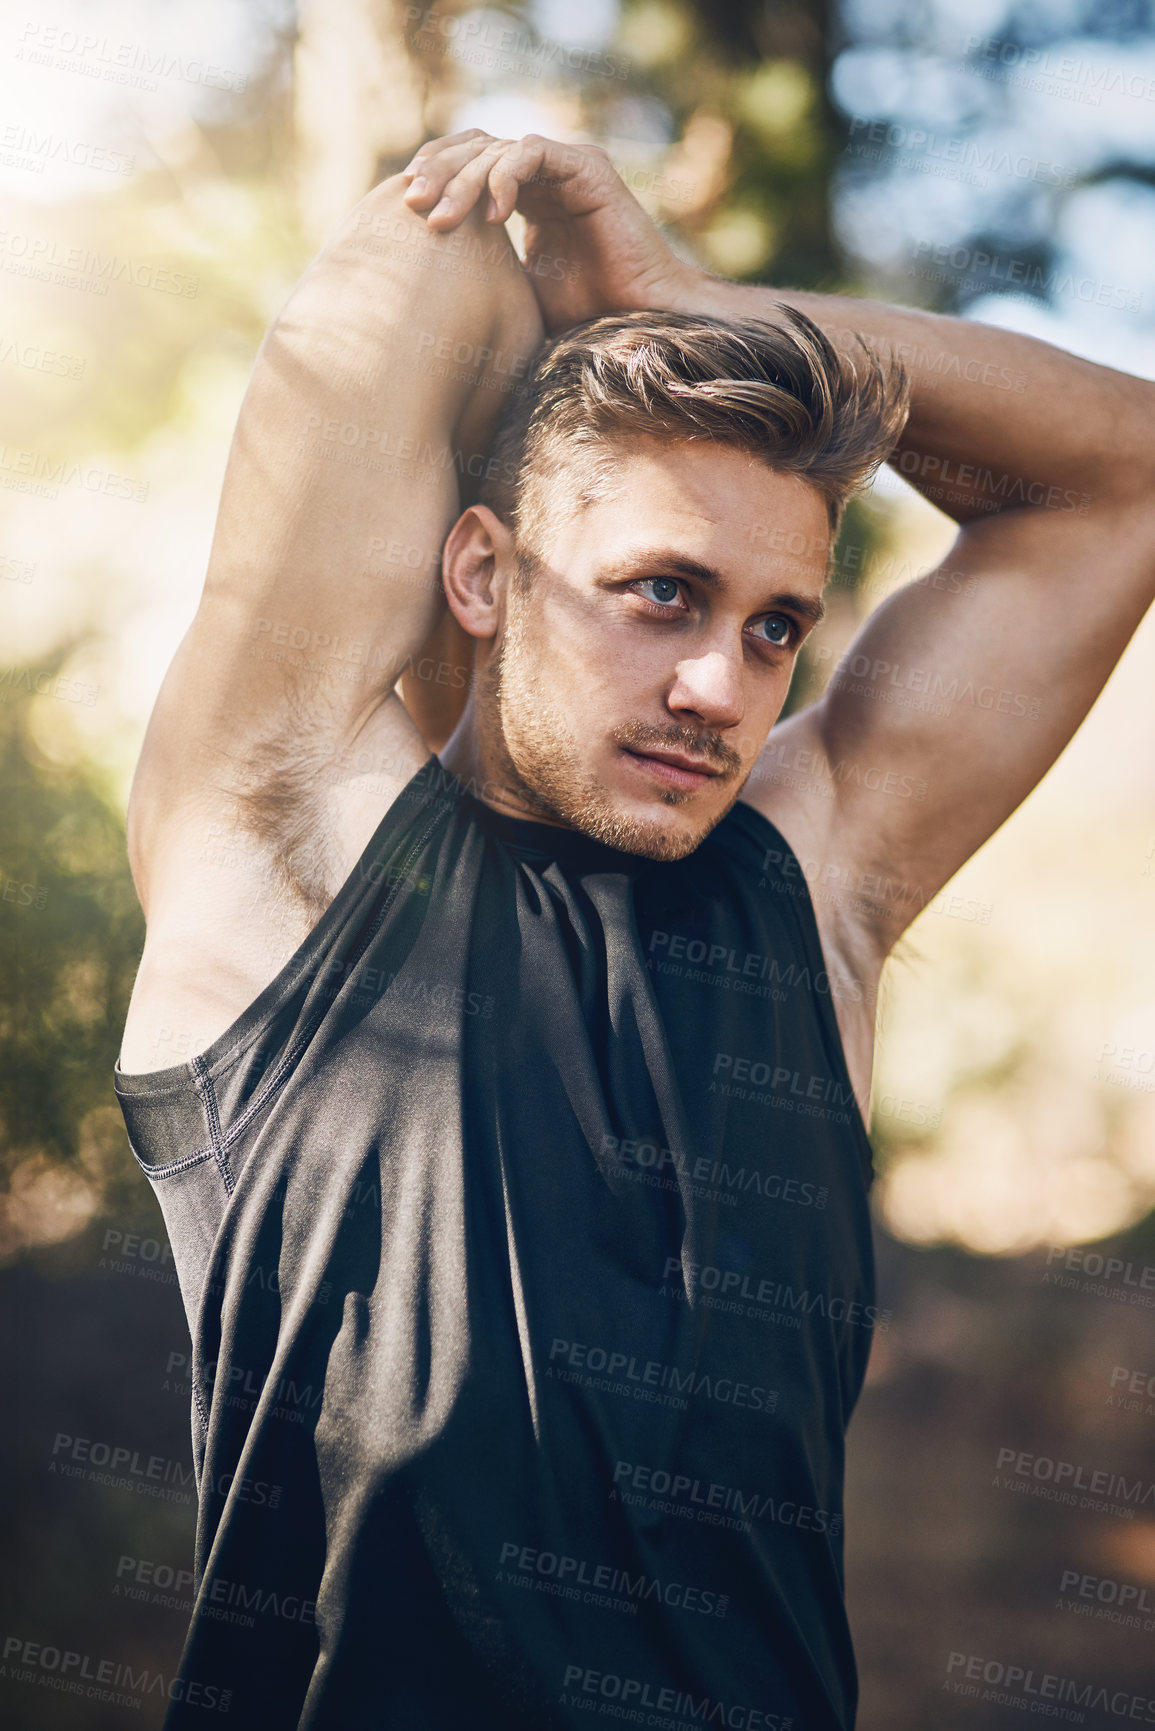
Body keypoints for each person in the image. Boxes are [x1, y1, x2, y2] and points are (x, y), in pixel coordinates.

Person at [113, 131, 1155, 1730]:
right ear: (479, 569)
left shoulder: (807, 897)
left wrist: (711, 302)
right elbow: (430, 257)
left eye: (774, 628)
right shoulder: (288, 860)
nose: (721, 688)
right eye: (660, 593)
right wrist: (609, 319)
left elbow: (1123, 469)